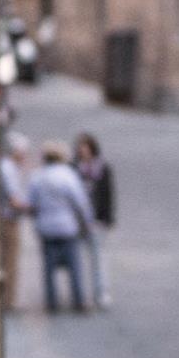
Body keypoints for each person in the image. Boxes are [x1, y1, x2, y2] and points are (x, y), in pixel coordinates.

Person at [27, 140, 93, 314]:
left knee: (48, 267)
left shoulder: (38, 176)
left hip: (46, 226)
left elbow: (32, 203)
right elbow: (81, 201)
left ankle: (52, 303)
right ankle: (78, 301)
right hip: (67, 226)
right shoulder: (68, 175)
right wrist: (87, 222)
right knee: (74, 266)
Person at [74, 131, 115, 309]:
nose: (83, 152)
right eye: (81, 149)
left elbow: (108, 194)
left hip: (97, 219)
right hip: (78, 221)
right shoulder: (74, 169)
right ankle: (82, 295)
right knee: (79, 259)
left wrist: (108, 218)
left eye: (86, 149)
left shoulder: (103, 169)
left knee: (98, 258)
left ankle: (101, 292)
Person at [0, 131, 31, 312]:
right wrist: (31, 208)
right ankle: (8, 300)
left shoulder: (9, 167)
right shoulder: (8, 168)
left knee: (8, 260)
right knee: (10, 260)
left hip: (8, 217)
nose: (25, 156)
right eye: (23, 152)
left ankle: (8, 298)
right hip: (8, 219)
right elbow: (13, 200)